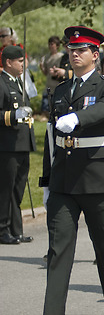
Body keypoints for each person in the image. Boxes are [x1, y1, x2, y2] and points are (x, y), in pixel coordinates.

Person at [39, 26, 104, 315]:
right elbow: (51, 139)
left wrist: (76, 118)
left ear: (94, 54)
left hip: (96, 177)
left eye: (81, 50)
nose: (74, 54)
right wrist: (46, 181)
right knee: (59, 250)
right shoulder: (62, 89)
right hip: (63, 180)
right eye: (71, 50)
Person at [0, 45, 35, 245]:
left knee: (18, 189)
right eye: (20, 61)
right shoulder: (2, 83)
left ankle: (16, 230)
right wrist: (13, 116)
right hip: (8, 145)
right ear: (8, 62)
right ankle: (2, 229)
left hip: (22, 144)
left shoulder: (20, 82)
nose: (23, 64)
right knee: (6, 189)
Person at [40, 36, 64, 118]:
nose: (50, 46)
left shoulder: (61, 56)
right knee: (45, 106)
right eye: (49, 44)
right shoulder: (46, 57)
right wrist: (42, 67)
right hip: (48, 85)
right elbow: (45, 73)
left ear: (57, 45)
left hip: (57, 85)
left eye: (52, 44)